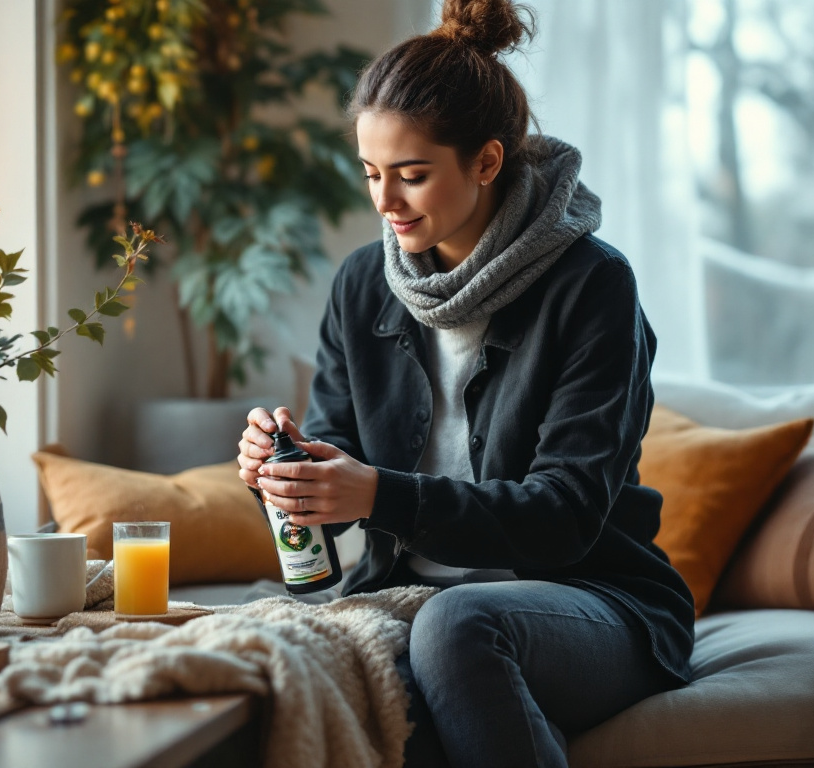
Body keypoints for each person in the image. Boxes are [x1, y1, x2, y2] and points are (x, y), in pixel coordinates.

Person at [235, 1, 696, 765]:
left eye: (412, 176)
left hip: (594, 601)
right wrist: (285, 472)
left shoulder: (592, 285)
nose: (384, 203)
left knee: (453, 628)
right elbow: (338, 467)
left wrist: (380, 493)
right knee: (299, 652)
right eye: (372, 174)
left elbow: (566, 515)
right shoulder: (362, 284)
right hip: (409, 595)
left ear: (486, 162)